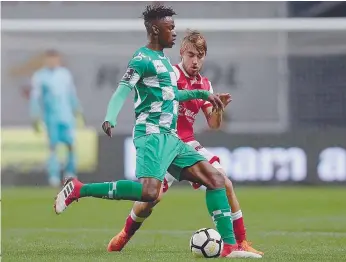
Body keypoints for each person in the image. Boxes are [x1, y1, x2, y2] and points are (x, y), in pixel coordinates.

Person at [53, 4, 261, 258]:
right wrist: (110, 116)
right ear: (155, 29)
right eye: (170, 28)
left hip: (173, 139)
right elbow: (122, 90)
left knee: (217, 180)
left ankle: (231, 247)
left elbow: (173, 95)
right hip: (152, 135)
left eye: (174, 27)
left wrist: (205, 94)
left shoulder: (163, 59)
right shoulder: (141, 59)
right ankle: (78, 189)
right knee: (149, 195)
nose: (174, 32)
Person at [107, 30, 264, 256]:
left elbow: (213, 123)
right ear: (181, 52)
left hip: (186, 143)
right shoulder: (168, 74)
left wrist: (219, 110)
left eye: (200, 56)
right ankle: (124, 234)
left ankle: (240, 242)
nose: (195, 61)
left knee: (224, 182)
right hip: (163, 140)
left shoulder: (205, 84)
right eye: (191, 55)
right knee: (151, 199)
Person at [30, 49, 83, 187]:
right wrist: (35, 115)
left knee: (70, 144)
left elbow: (71, 94)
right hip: (51, 117)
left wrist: (78, 110)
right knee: (53, 146)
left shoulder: (65, 74)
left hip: (66, 116)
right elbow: (35, 98)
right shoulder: (39, 76)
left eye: (54, 59)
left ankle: (70, 173)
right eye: (49, 59)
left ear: (58, 60)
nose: (52, 62)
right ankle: (53, 176)